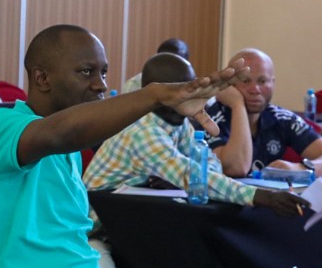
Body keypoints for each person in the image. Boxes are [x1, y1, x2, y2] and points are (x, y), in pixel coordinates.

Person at [0, 24, 245, 268]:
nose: (100, 85)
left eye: (103, 73)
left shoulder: (71, 147)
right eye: (86, 72)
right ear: (42, 78)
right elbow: (59, 134)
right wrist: (155, 94)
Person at [84, 53, 308, 217]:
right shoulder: (143, 132)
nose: (192, 94)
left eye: (192, 87)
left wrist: (179, 176)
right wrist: (263, 197)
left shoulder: (177, 120)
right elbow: (196, 178)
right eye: (183, 89)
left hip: (126, 219)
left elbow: (210, 165)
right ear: (156, 92)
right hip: (91, 231)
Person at [205, 48, 322, 178]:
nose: (255, 89)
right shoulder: (208, 118)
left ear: (273, 83)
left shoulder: (281, 118)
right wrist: (237, 105)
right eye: (245, 81)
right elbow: (236, 168)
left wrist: (299, 168)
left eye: (262, 81)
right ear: (228, 84)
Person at [123, 37, 190, 93]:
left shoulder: (192, 87)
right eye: (164, 61)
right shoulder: (134, 85)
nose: (169, 68)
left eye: (175, 64)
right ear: (157, 60)